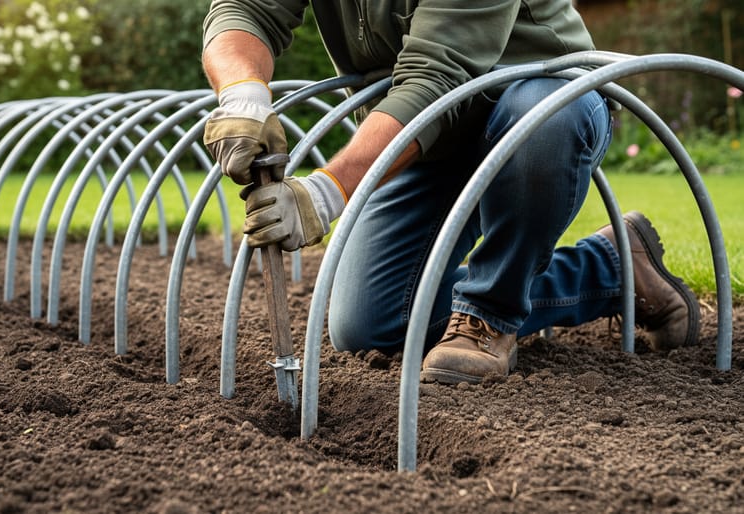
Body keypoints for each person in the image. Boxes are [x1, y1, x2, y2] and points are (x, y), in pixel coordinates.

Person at [200, 1, 701, 384]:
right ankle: (612, 269)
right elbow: (244, 10)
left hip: (537, 102)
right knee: (366, 325)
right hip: (427, 136)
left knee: (540, 118)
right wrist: (243, 95)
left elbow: (435, 74)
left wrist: (328, 192)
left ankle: (490, 315)